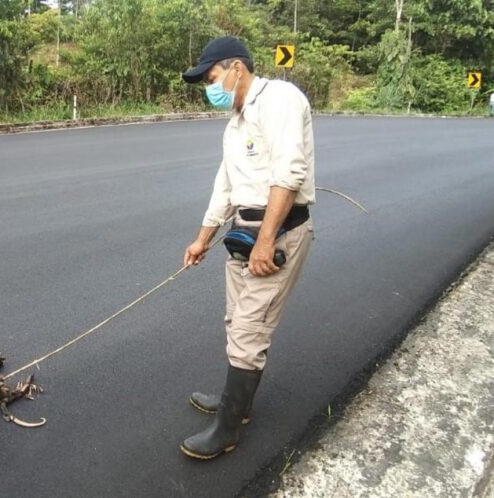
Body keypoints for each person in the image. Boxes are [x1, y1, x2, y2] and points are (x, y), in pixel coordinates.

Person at [178, 36, 316, 460]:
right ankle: (237, 403)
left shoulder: (280, 100)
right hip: (243, 234)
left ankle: (227, 430)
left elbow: (289, 173)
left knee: (249, 330)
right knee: (236, 320)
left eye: (213, 77)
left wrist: (268, 239)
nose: (210, 88)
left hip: (277, 235)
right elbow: (226, 184)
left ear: (237, 67)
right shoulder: (235, 122)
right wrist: (203, 237)